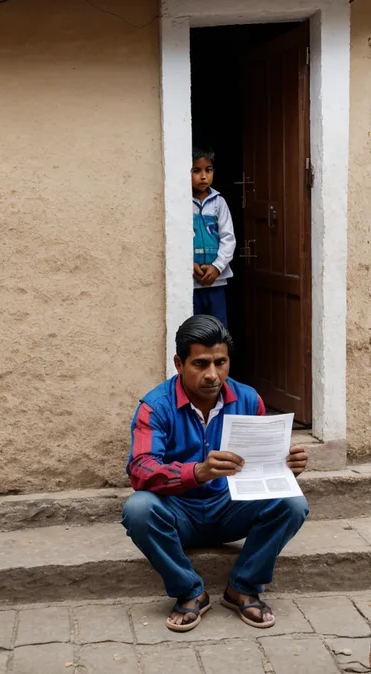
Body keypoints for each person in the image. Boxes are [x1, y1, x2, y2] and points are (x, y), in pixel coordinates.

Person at [122, 315, 309, 632]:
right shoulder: (155, 406)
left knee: (293, 502)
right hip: (178, 512)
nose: (212, 374)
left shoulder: (248, 399)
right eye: (201, 364)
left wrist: (288, 467)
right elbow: (140, 470)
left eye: (220, 362)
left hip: (231, 508)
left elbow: (264, 465)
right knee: (138, 508)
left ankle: (243, 587)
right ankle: (190, 591)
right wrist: (197, 471)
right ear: (179, 363)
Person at [192, 148, 236, 327]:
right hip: (192, 282)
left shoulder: (219, 202)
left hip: (215, 281)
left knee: (217, 328)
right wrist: (189, 265)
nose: (203, 176)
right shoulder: (181, 201)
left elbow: (228, 238)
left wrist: (217, 267)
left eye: (208, 170)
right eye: (196, 171)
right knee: (194, 328)